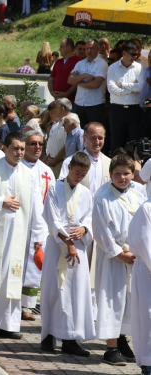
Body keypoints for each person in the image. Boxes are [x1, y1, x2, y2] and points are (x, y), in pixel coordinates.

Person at [0, 132, 46, 339]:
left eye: (22, 149)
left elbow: (37, 206)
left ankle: (8, 325)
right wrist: (0, 202)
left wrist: (39, 234)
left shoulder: (29, 174)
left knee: (12, 277)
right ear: (5, 148)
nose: (20, 152)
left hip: (18, 235)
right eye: (16, 148)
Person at [92, 154, 146, 365]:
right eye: (117, 174)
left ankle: (123, 339)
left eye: (126, 173)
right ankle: (111, 348)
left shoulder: (139, 192)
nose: (122, 178)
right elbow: (100, 229)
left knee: (131, 301)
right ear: (110, 175)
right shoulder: (103, 196)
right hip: (114, 256)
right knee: (113, 300)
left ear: (133, 174)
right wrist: (119, 253)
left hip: (136, 256)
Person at [40, 152, 95, 356]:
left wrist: (85, 230)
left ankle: (71, 338)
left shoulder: (86, 193)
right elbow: (52, 219)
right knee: (54, 292)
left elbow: (90, 217)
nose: (79, 176)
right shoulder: (54, 188)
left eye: (84, 174)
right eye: (77, 172)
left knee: (76, 293)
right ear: (69, 167)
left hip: (79, 247)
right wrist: (67, 241)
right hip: (58, 247)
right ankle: (49, 336)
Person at [20, 130, 54, 321]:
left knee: (34, 265)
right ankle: (13, 303)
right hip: (20, 223)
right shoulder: (18, 167)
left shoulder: (47, 171)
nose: (37, 147)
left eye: (40, 144)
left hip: (40, 225)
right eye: (33, 143)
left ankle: (27, 306)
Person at [127, 196, 151, 375]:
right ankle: (147, 362)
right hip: (147, 268)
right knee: (147, 316)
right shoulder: (147, 208)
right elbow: (145, 242)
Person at [107, 40, 145, 153]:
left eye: (137, 54)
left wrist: (123, 85)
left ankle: (135, 167)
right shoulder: (113, 68)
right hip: (117, 109)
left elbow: (140, 87)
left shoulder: (139, 67)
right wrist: (131, 88)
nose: (135, 57)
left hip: (134, 110)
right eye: (133, 54)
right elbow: (111, 89)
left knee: (135, 141)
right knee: (116, 140)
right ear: (124, 53)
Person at [60, 122, 110, 198]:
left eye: (100, 138)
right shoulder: (70, 161)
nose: (97, 142)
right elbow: (61, 187)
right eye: (93, 138)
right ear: (84, 138)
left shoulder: (109, 163)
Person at [68, 39, 108, 127]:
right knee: (80, 133)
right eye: (87, 48)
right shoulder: (80, 64)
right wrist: (84, 76)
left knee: (94, 134)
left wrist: (77, 81)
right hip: (79, 104)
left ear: (98, 49)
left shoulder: (102, 64)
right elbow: (70, 80)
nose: (89, 51)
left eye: (92, 48)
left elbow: (95, 84)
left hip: (95, 105)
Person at [43, 98, 70, 177]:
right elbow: (51, 146)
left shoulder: (69, 123)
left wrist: (54, 161)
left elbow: (67, 145)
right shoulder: (55, 125)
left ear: (62, 109)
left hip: (59, 163)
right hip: (50, 162)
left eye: (55, 110)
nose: (51, 114)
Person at [49, 38, 82, 102]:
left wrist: (67, 94)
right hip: (57, 100)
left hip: (72, 101)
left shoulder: (79, 61)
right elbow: (51, 79)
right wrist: (52, 92)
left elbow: (77, 81)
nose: (59, 49)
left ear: (68, 48)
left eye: (61, 47)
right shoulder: (58, 62)